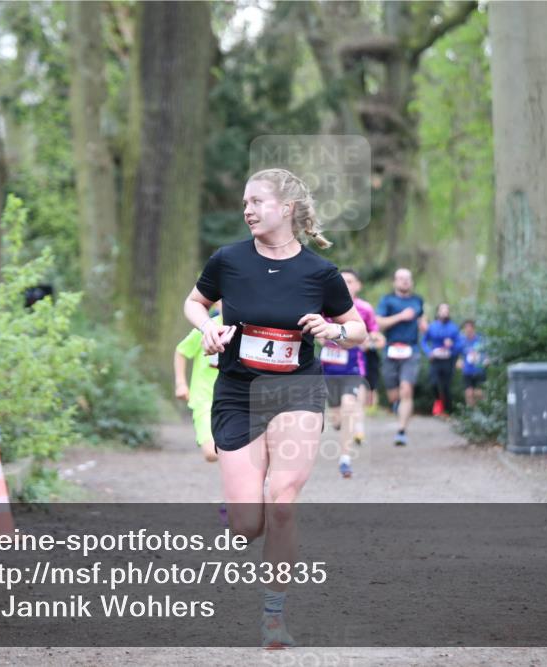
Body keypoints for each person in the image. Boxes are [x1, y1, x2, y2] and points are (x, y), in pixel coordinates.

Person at [183, 167, 366, 649]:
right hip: (238, 393)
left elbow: (357, 329)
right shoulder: (228, 260)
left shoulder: (320, 273)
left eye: (257, 201)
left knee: (283, 498)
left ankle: (273, 616)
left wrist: (334, 332)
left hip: (296, 390)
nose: (247, 210)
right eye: (244, 203)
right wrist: (208, 328)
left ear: (286, 208)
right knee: (246, 525)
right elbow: (194, 303)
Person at [319, 269, 378, 479]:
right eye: (342, 281)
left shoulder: (364, 309)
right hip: (328, 370)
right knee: (336, 418)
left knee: (348, 408)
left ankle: (345, 458)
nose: (346, 284)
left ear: (358, 285)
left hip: (353, 369)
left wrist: (368, 342)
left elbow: (376, 336)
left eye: (350, 281)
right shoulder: (324, 305)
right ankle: (341, 427)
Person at [375, 268, 428, 446]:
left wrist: (423, 324)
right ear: (395, 282)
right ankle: (397, 407)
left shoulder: (417, 300)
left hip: (411, 350)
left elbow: (422, 316)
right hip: (390, 350)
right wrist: (400, 317)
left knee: (406, 389)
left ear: (411, 282)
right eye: (401, 279)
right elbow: (379, 322)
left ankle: (401, 431)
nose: (405, 282)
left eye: (408, 279)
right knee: (393, 395)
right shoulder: (387, 300)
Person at [174, 302, 223, 462]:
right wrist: (181, 383)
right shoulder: (206, 328)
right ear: (216, 304)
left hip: (236, 399)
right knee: (211, 453)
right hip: (204, 399)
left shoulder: (247, 329)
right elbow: (181, 351)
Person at [421, 303, 461, 418]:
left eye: (447, 310)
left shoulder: (454, 328)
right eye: (442, 310)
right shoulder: (432, 327)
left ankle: (448, 411)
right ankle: (438, 402)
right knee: (434, 383)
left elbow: (460, 344)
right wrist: (429, 352)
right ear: (438, 312)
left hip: (448, 360)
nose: (445, 312)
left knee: (446, 386)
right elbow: (424, 342)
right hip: (435, 360)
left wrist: (452, 346)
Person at [457, 319, 487, 408]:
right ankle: (471, 413)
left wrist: (486, 359)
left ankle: (483, 410)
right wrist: (458, 361)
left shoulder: (481, 339)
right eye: (466, 328)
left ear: (474, 328)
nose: (468, 329)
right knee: (469, 393)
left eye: (470, 327)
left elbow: (487, 352)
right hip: (467, 371)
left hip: (479, 369)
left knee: (479, 393)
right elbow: (457, 353)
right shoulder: (461, 340)